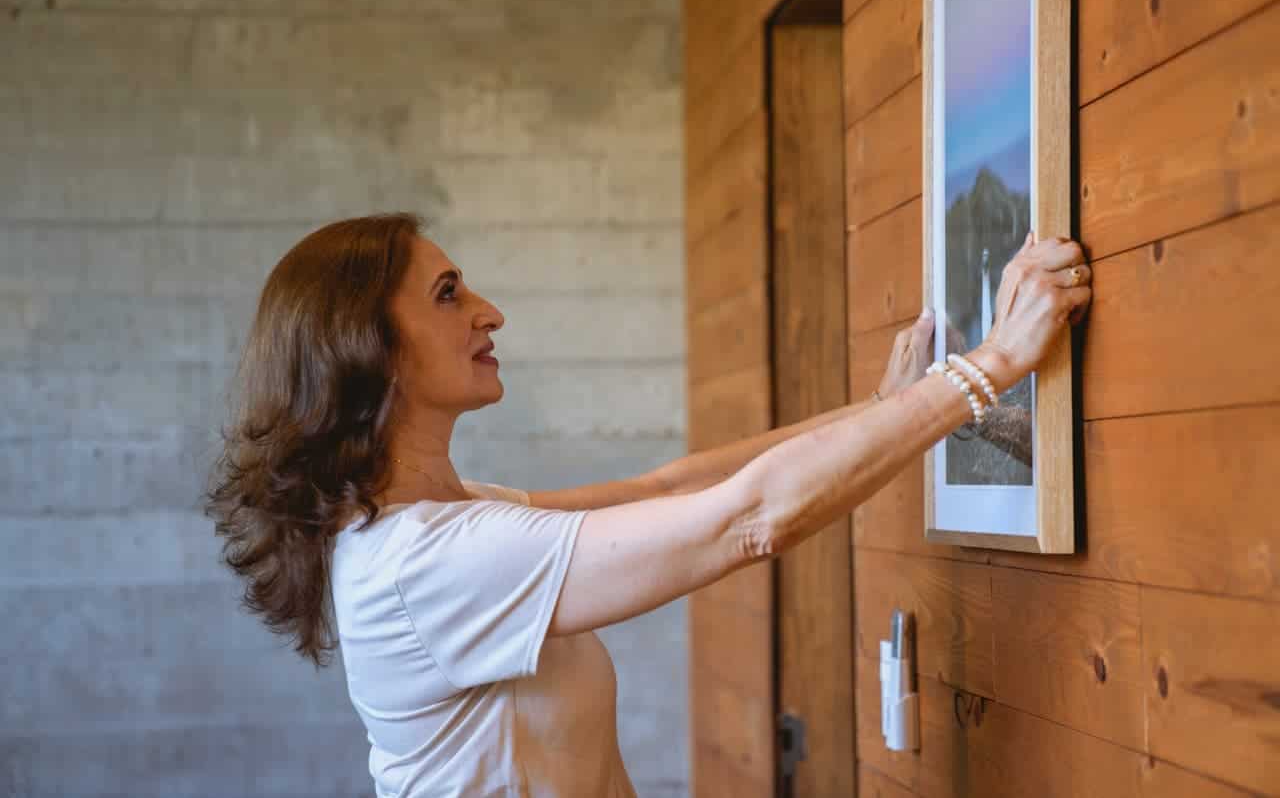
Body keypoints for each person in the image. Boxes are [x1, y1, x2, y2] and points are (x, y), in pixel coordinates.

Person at [205, 212, 1091, 797]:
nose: (490, 312)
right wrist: (996, 364)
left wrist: (885, 410)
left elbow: (671, 487)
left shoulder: (448, 521)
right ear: (373, 351)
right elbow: (747, 520)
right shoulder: (429, 562)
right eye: (448, 295)